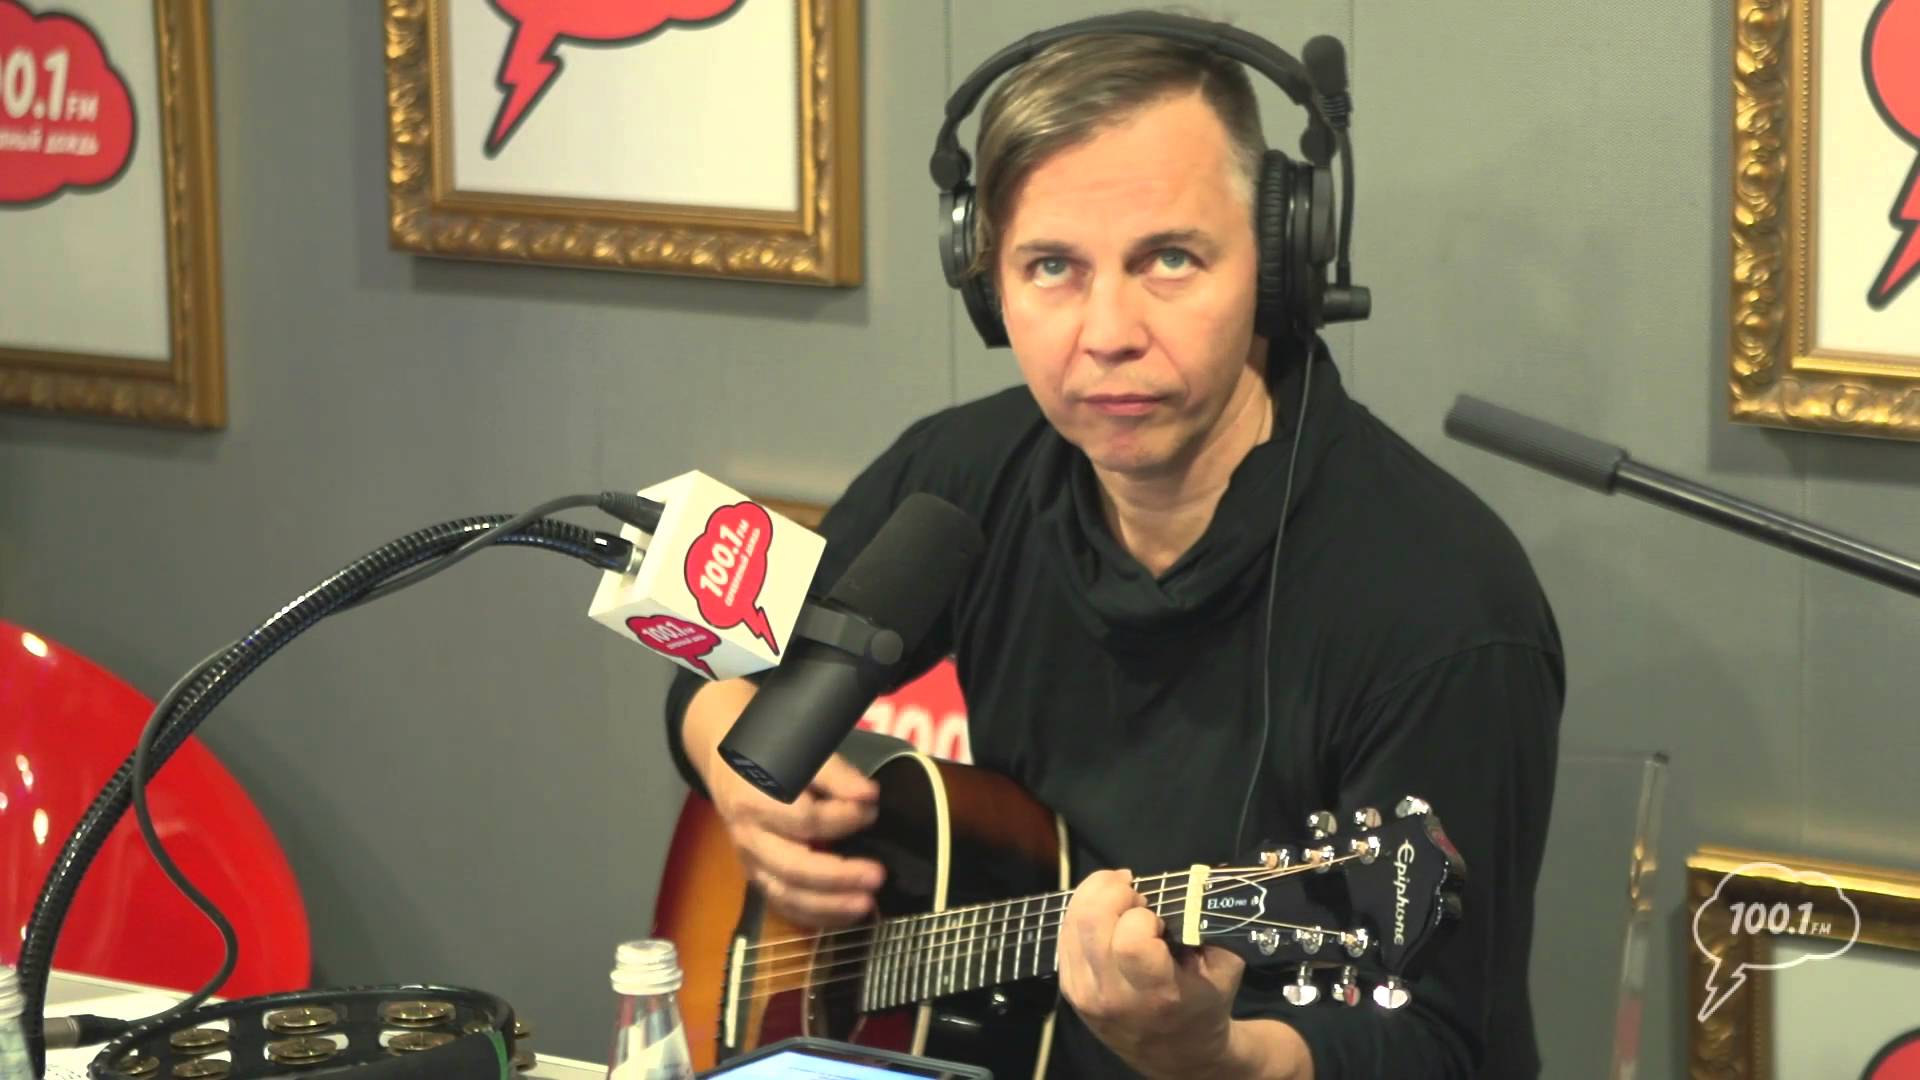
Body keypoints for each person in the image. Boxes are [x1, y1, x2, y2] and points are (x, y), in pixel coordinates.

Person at [663, 14, 1562, 1079]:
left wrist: (1214, 1056)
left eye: (1169, 258)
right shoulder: (962, 479)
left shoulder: (1444, 610)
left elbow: (1444, 1045)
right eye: (1052, 266)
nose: (1107, 334)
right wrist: (733, 763)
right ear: (986, 283)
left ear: (1278, 262)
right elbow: (717, 666)